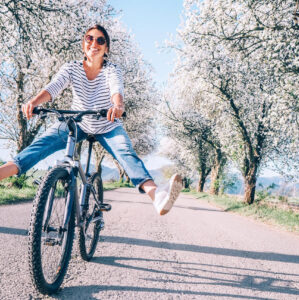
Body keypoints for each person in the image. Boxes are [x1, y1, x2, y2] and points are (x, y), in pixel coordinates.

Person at [0, 24, 182, 215]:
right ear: (83, 44)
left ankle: (157, 196)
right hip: (78, 122)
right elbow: (54, 87)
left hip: (107, 124)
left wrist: (118, 106)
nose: (94, 43)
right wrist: (33, 102)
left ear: (106, 48)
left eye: (100, 40)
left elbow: (116, 90)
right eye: (89, 38)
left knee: (126, 154)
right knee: (39, 147)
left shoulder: (112, 70)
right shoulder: (71, 68)